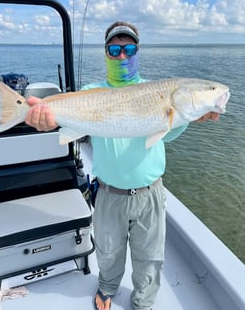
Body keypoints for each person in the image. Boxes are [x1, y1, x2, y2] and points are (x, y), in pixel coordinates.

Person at [25, 22, 219, 310]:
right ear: (105, 53)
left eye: (129, 49)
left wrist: (192, 115)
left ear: (137, 52)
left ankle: (143, 301)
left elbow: (165, 132)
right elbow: (63, 116)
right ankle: (107, 287)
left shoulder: (159, 92)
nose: (122, 56)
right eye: (114, 49)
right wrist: (45, 117)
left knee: (150, 256)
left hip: (149, 194)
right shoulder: (92, 91)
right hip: (108, 193)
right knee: (108, 252)